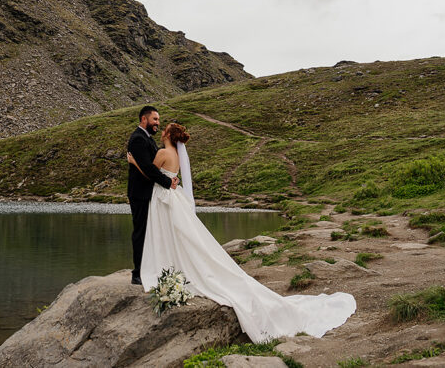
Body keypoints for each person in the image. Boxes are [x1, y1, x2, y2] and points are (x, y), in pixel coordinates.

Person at [128, 122, 356, 343]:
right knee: (182, 236)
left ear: (168, 135)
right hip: (173, 198)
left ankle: (169, 266)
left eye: (164, 129)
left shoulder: (162, 153)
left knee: (168, 235)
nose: (162, 131)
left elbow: (149, 173)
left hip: (163, 199)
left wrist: (134, 161)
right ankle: (178, 266)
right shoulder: (176, 156)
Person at [126, 105, 178, 286]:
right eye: (155, 119)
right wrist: (167, 182)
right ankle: (137, 273)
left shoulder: (147, 138)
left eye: (158, 120)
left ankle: (151, 267)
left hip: (151, 193)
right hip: (140, 194)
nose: (158, 123)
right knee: (140, 231)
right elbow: (147, 168)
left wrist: (170, 179)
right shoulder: (138, 139)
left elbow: (154, 167)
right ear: (144, 119)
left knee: (152, 231)